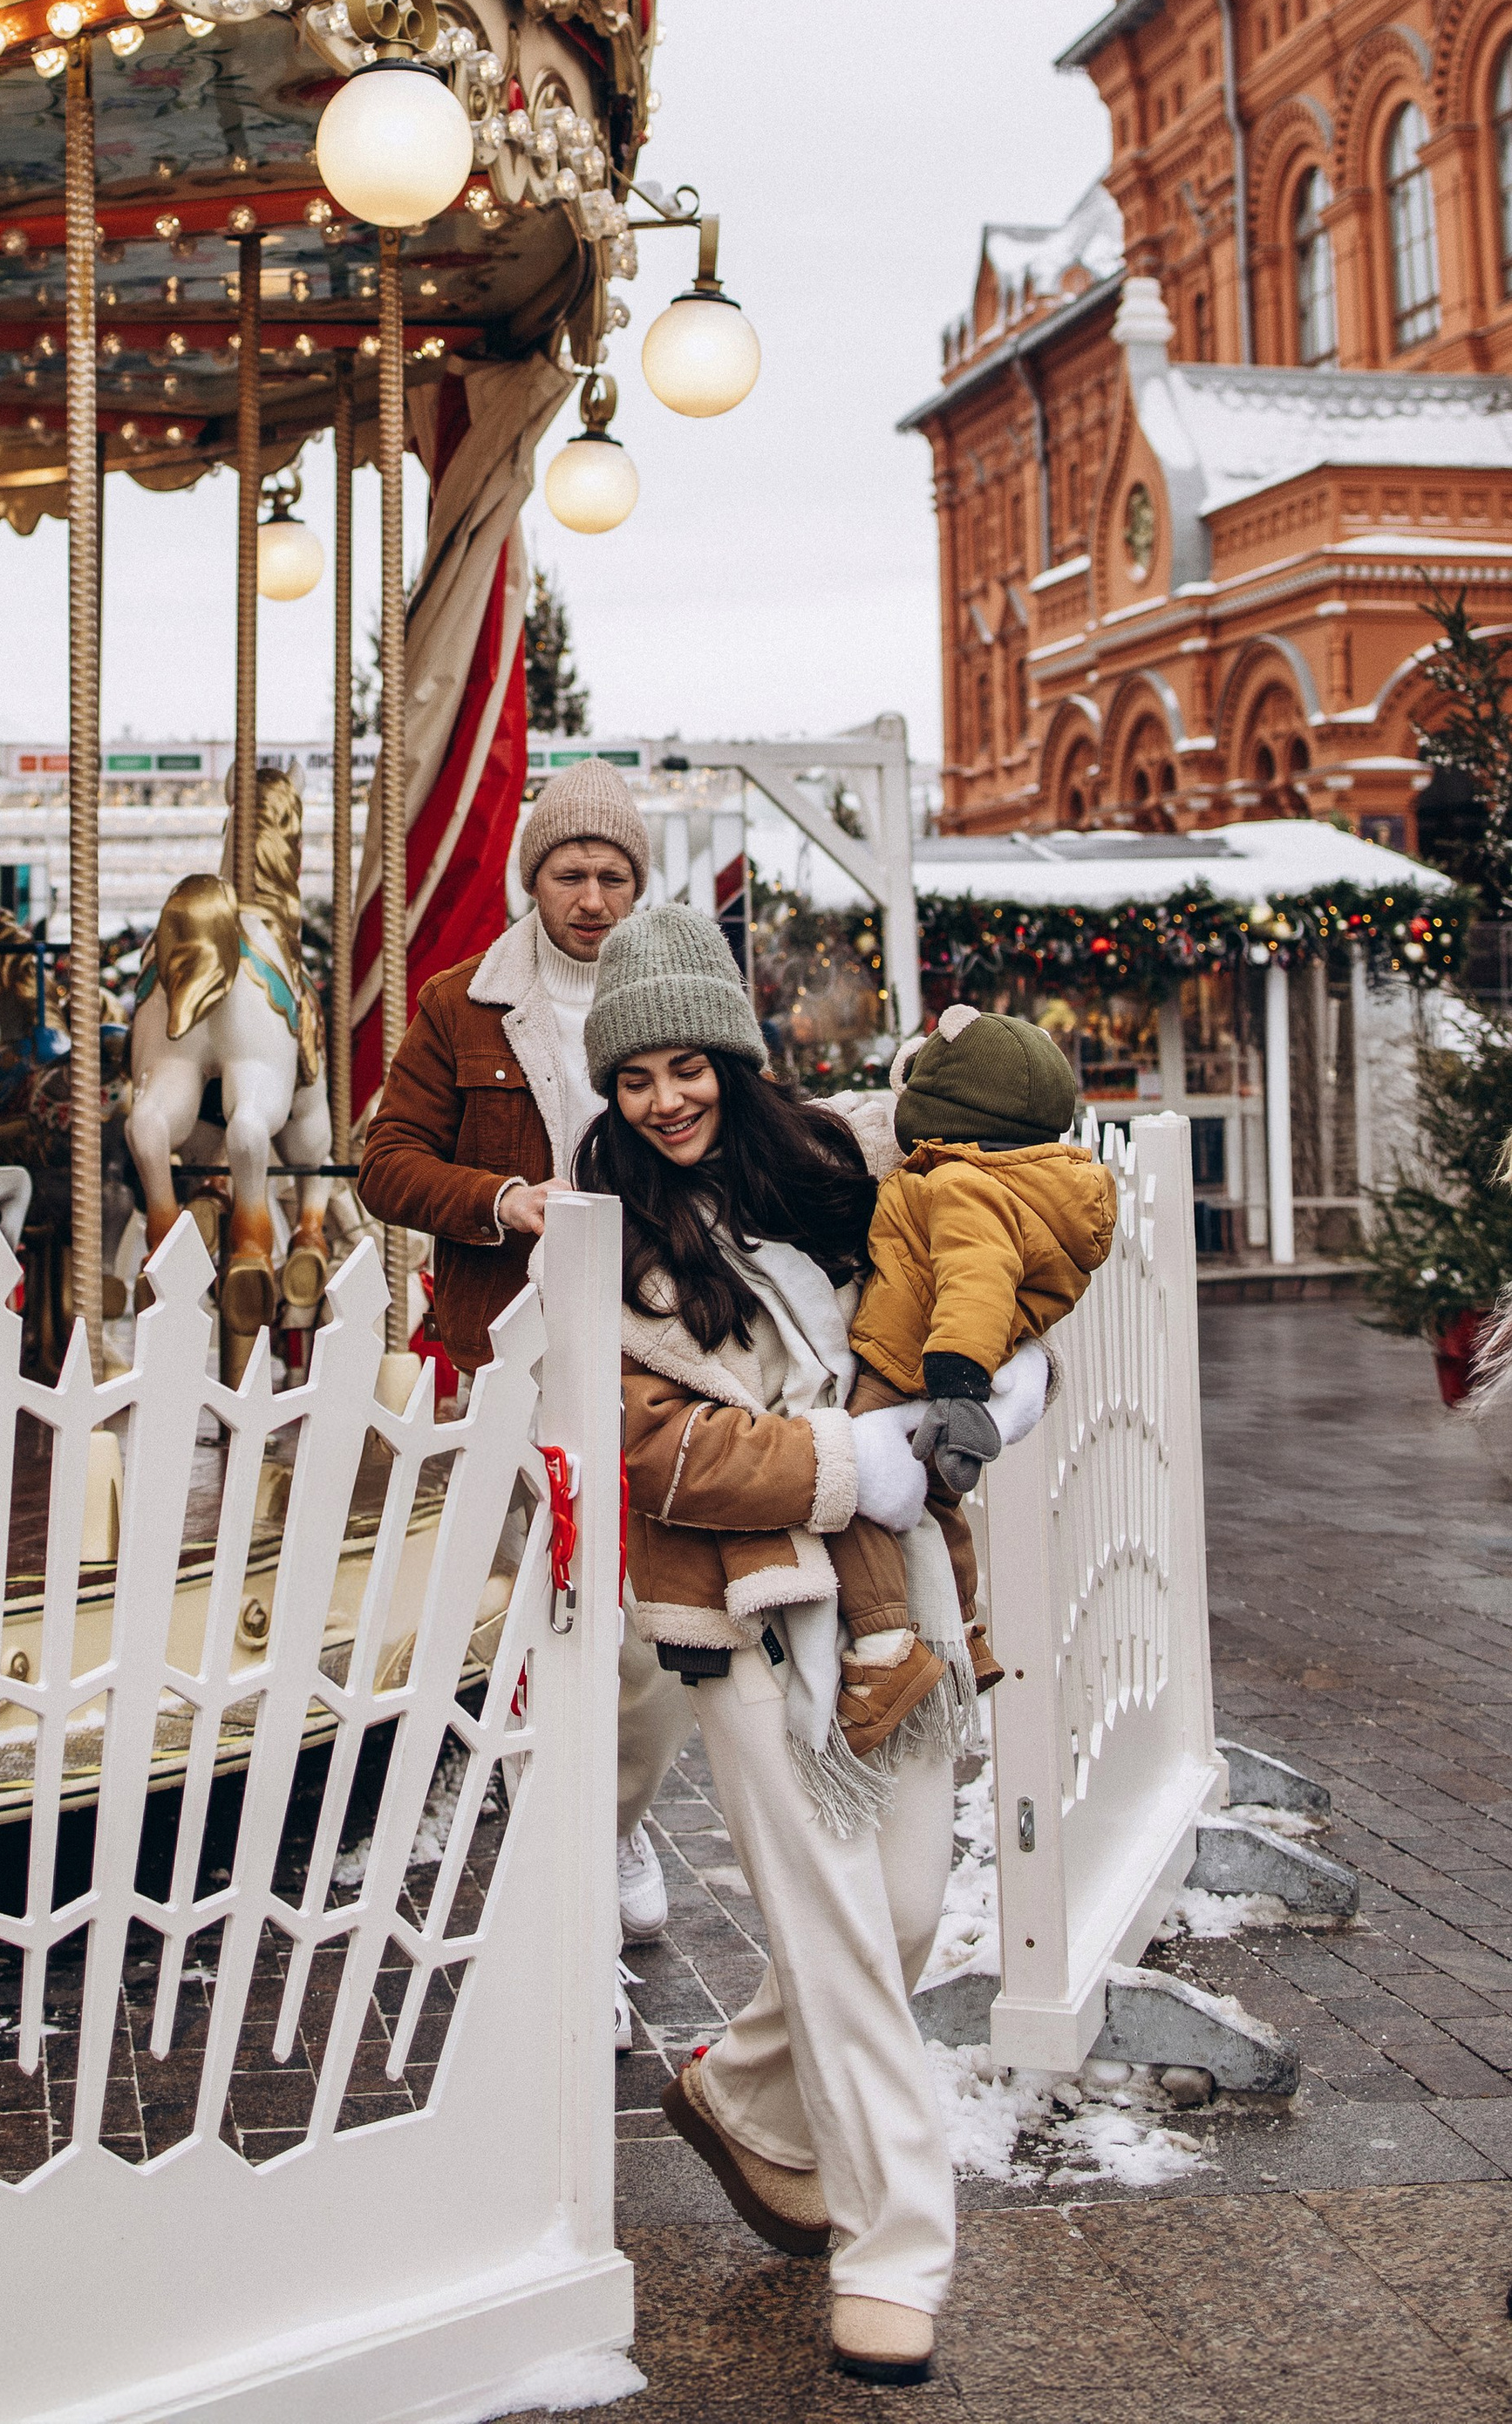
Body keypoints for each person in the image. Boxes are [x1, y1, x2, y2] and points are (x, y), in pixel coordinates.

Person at [576, 906, 1041, 2391]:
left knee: (904, 1911)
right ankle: (895, 2249)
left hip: (897, 1598)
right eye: (634, 1077)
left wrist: (983, 1401)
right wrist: (848, 1461)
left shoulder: (840, 1172)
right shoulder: (610, 1229)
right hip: (751, 1616)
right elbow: (653, 1445)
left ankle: (751, 2105)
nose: (666, 1100)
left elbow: (991, 1244)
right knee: (841, 1932)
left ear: (731, 1050)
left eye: (685, 1064)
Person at [358, 756, 691, 1953]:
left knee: (654, 1618)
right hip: (510, 1347)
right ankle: (554, 1818)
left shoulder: (672, 998)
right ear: (532, 878)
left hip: (655, 1345)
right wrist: (505, 1197)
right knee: (542, 1605)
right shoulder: (461, 1005)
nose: (592, 896)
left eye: (612, 873)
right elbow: (386, 1160)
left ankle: (610, 1816)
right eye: (571, 871)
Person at [824, 1004, 1113, 1753]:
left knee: (854, 1493)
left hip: (909, 1366)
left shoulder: (965, 1183)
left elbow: (975, 1280)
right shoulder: (1034, 1183)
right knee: (939, 1507)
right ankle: (963, 1631)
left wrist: (955, 1378)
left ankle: (885, 1653)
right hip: (948, 1368)